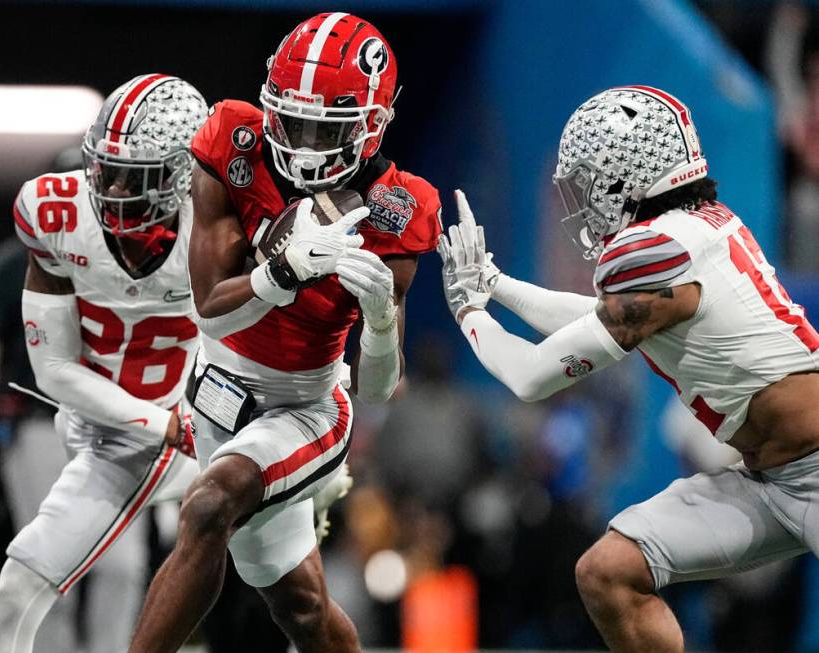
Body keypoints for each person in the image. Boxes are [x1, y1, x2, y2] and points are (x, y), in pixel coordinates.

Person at [439, 85, 819, 652]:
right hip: (770, 480)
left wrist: (469, 311)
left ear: (628, 171)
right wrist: (495, 285)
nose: (587, 198)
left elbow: (531, 376)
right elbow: (598, 320)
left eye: (592, 179)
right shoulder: (691, 231)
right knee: (608, 572)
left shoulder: (655, 251)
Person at [128, 13, 442, 653]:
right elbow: (211, 308)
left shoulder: (398, 205)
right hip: (214, 382)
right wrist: (284, 272)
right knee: (299, 605)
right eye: (289, 120)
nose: (297, 143)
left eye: (320, 128)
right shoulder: (233, 140)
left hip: (305, 406)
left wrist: (381, 316)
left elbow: (380, 387)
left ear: (372, 125)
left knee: (209, 506)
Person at [0, 74, 205, 653]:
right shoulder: (57, 214)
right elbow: (53, 368)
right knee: (20, 583)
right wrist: (163, 424)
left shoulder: (219, 227)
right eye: (105, 165)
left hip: (209, 422)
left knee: (282, 583)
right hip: (118, 434)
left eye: (135, 173)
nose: (110, 185)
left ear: (181, 175)